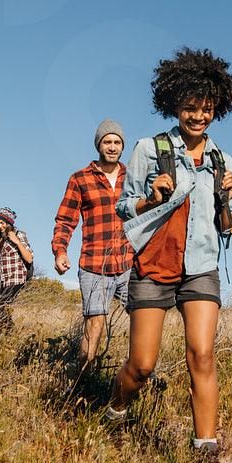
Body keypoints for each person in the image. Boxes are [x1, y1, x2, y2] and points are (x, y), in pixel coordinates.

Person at [109, 47, 232, 461]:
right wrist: (152, 198)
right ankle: (114, 413)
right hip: (154, 264)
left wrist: (228, 205)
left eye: (207, 109)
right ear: (174, 105)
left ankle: (206, 450)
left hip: (201, 267)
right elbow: (124, 207)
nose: (198, 116)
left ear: (217, 108)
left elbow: (223, 224)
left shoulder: (221, 159)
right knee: (141, 365)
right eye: (190, 108)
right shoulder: (149, 149)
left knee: (202, 355)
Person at [52, 119, 135, 363]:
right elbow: (65, 219)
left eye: (117, 142)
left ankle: (142, 373)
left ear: (122, 146)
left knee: (143, 318)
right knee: (95, 322)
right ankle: (84, 375)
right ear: (99, 145)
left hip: (130, 263)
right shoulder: (80, 178)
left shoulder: (134, 177)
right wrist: (60, 251)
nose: (112, 147)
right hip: (94, 264)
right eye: (107, 142)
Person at [0, 206, 34, 332]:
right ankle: (7, 331)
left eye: (2, 223)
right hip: (3, 278)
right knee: (2, 306)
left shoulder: (19, 234)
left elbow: (29, 258)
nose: (0, 226)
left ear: (8, 222)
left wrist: (17, 241)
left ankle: (8, 331)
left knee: (4, 303)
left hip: (16, 277)